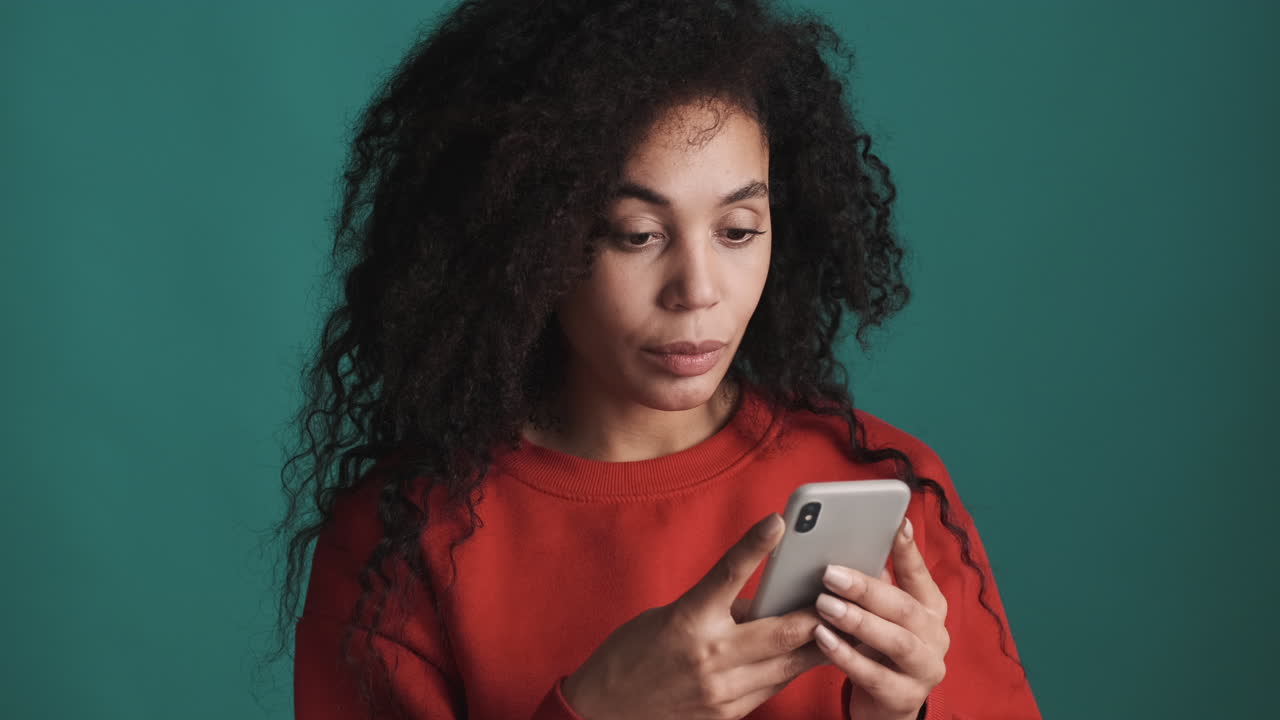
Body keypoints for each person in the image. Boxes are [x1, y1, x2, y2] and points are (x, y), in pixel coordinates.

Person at [267, 1, 1042, 718]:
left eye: (738, 230)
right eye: (638, 235)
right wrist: (598, 708)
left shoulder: (886, 487)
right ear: (524, 241)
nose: (698, 291)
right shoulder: (401, 542)